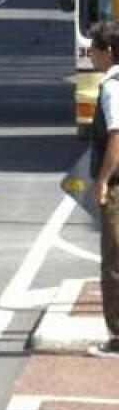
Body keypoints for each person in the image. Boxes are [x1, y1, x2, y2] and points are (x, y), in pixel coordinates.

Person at [89, 19, 119, 356]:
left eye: (95, 49)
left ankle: (117, 336)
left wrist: (103, 180)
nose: (92, 55)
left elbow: (116, 136)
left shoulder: (112, 87)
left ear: (107, 51)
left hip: (117, 186)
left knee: (113, 261)